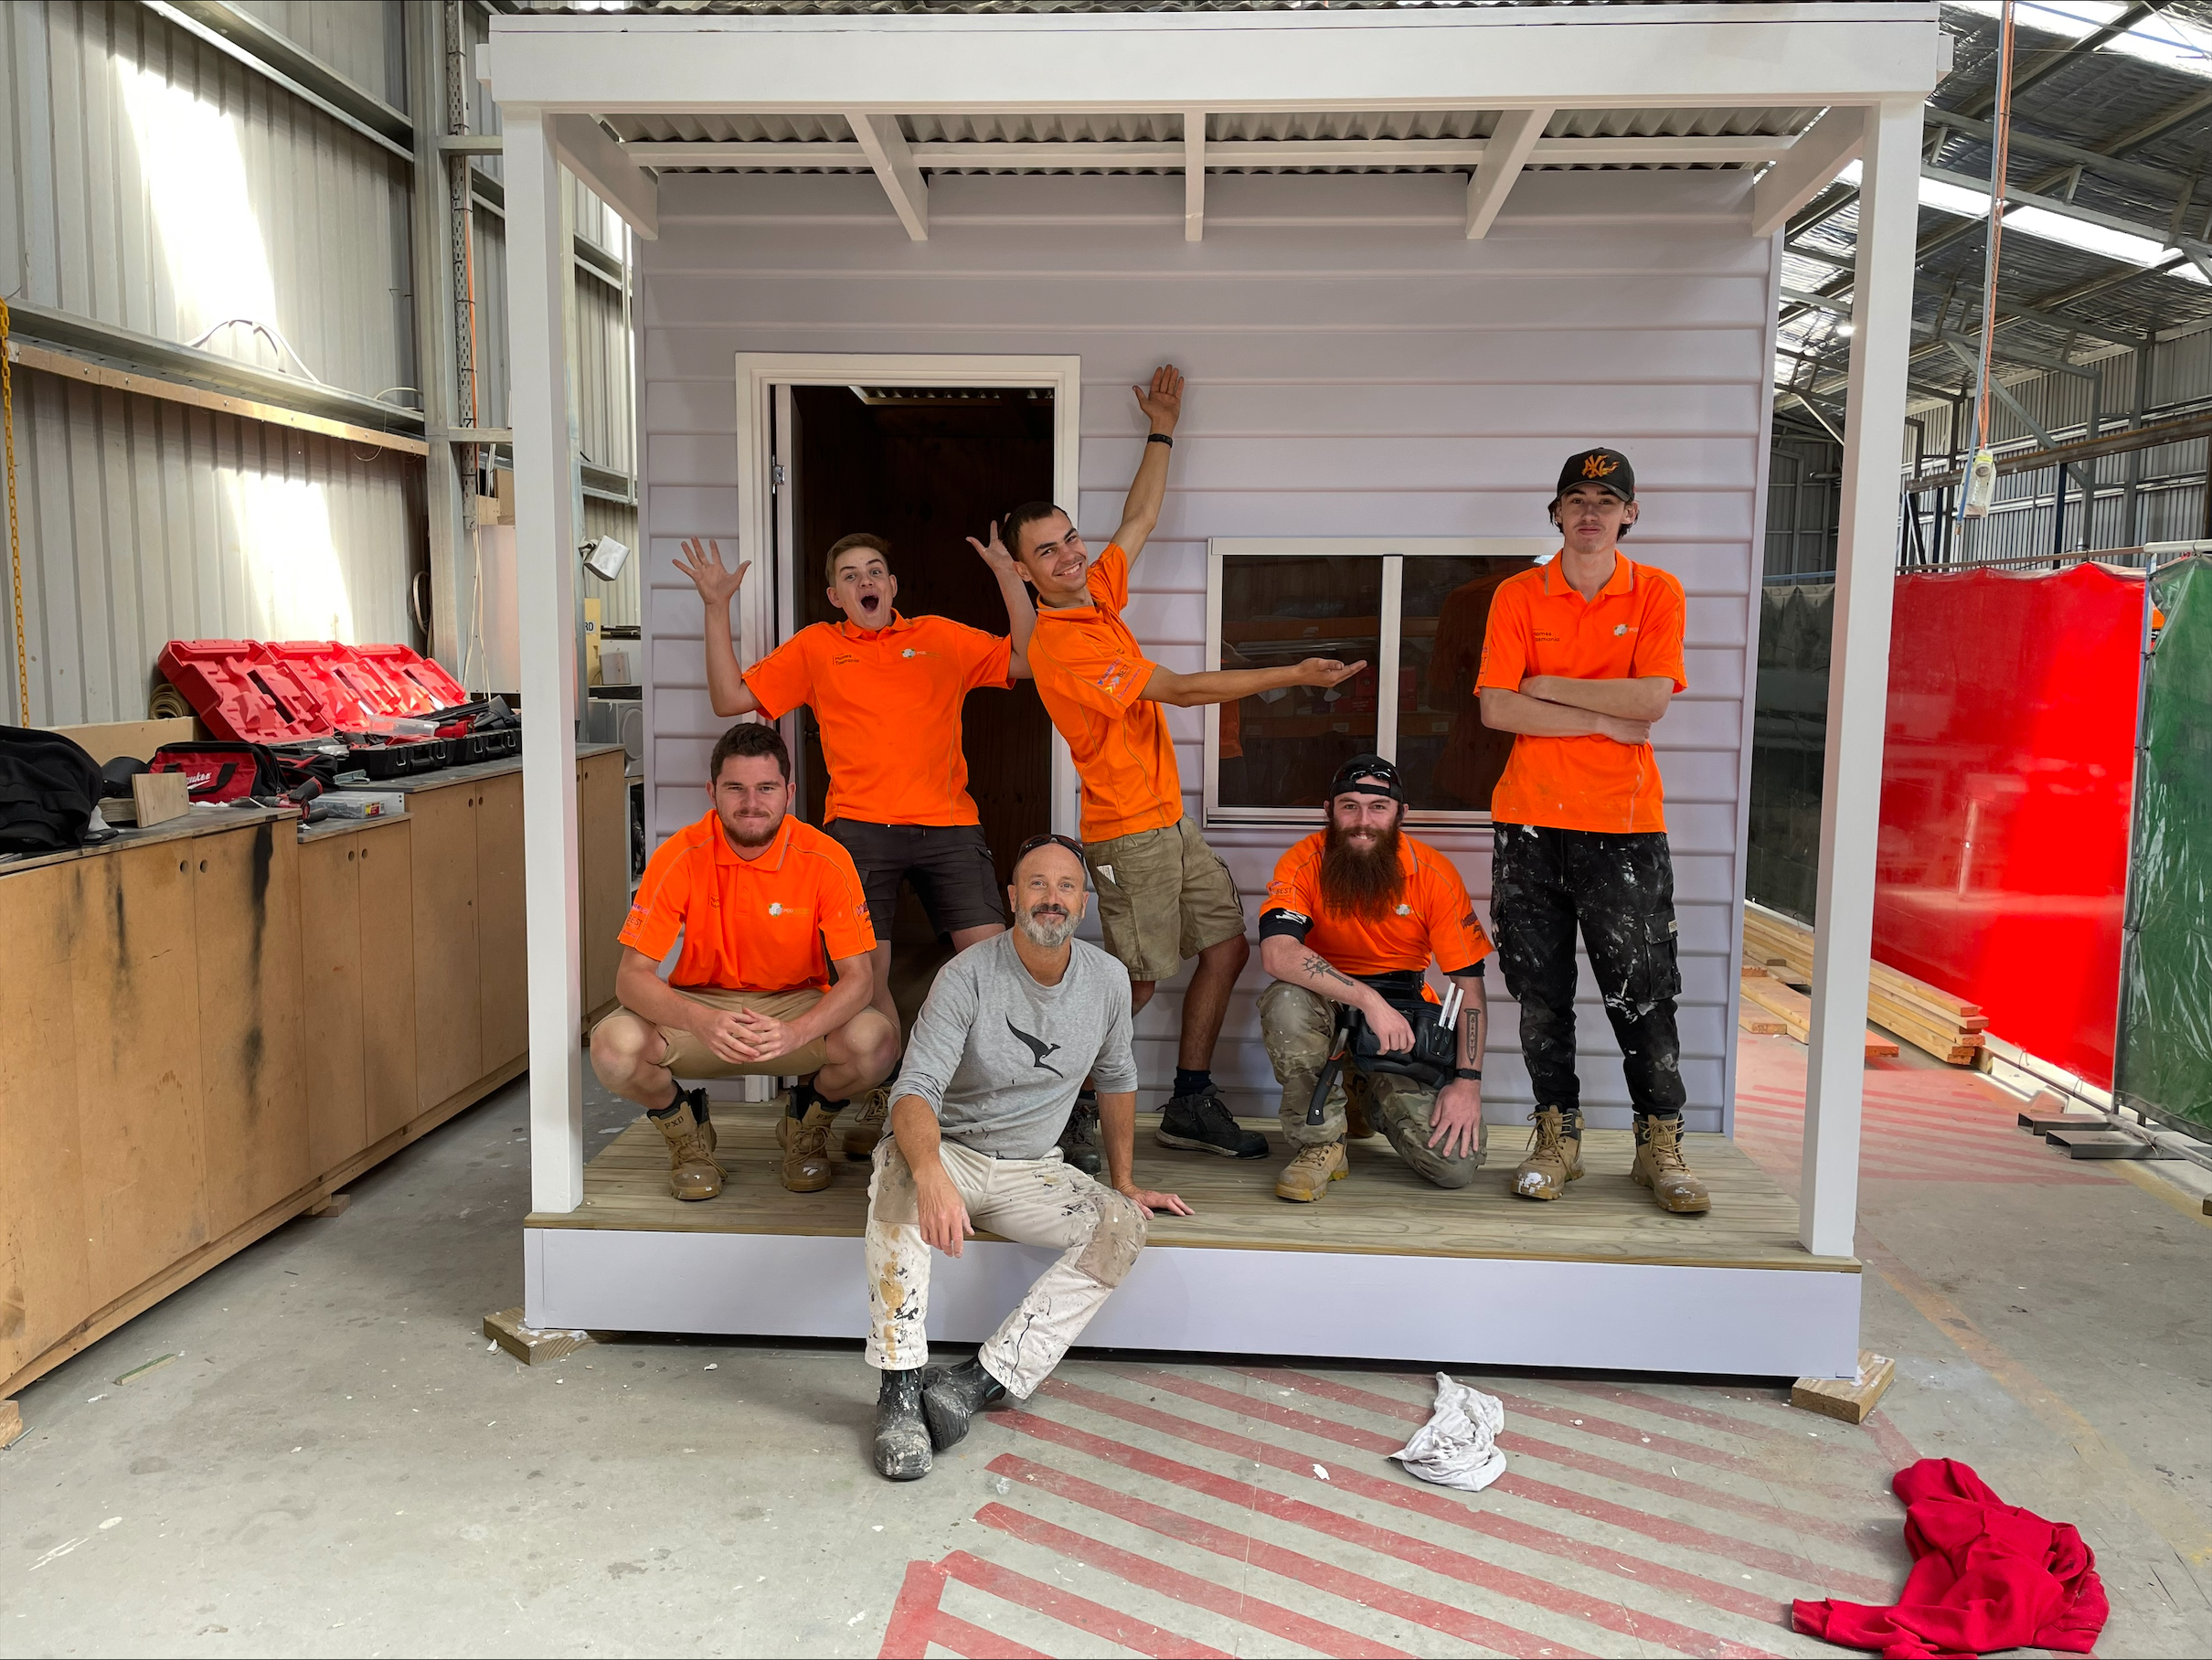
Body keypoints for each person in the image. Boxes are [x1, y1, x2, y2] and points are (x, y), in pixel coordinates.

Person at [995, 364, 1365, 1160]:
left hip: (1169, 819)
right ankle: (1064, 1106)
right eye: (1046, 553)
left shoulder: (1095, 590)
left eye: (1068, 541)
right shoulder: (1063, 648)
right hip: (1127, 834)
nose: (1068, 557)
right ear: (1023, 571)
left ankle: (1191, 1098)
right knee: (1132, 982)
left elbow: (1141, 515)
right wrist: (1295, 675)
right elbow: (1189, 690)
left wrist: (1161, 426)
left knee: (1226, 948)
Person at [674, 531, 1036, 1162]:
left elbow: (1028, 661)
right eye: (850, 574)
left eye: (876, 570)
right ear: (835, 595)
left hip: (949, 825)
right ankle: (887, 1097)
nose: (865, 580)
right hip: (860, 830)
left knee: (991, 969)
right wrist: (714, 606)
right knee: (865, 980)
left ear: (892, 587)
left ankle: (967, 1101)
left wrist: (1011, 578)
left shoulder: (941, 636)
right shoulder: (819, 647)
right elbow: (732, 699)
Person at [866, 833, 1192, 1481]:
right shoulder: (967, 975)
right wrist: (931, 1173)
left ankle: (980, 1382)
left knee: (1121, 1226)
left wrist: (1124, 1182)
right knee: (897, 1179)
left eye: (1066, 886)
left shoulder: (1105, 981)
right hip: (951, 1150)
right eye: (1037, 885)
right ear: (1012, 897)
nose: (1052, 898)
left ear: (1083, 901)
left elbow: (1119, 1077)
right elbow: (913, 1090)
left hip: (1034, 1167)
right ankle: (899, 1391)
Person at [1476, 447, 1707, 1214]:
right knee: (1540, 993)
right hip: (1529, 822)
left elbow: (1651, 704)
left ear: (1629, 515)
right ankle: (1556, 1136)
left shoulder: (1657, 592)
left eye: (1607, 500)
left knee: (1642, 991)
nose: (1590, 512)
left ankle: (1659, 1141)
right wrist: (1604, 715)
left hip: (1625, 826)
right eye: (1576, 497)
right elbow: (1497, 708)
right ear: (1555, 512)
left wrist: (1548, 687)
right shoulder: (1517, 595)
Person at [588, 722, 900, 1197]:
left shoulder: (826, 858)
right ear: (712, 790)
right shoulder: (679, 856)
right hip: (701, 1010)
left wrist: (798, 1031)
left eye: (766, 788)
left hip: (794, 1009)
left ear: (789, 793)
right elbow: (631, 978)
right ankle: (687, 1133)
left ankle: (806, 1124)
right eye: (735, 788)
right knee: (613, 1047)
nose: (751, 803)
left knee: (877, 1042)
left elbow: (859, 978)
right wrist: (701, 1019)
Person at [1257, 755, 1494, 1201]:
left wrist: (1467, 1082)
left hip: (1401, 1023)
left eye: (1377, 807)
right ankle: (1322, 1142)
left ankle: (1363, 1093)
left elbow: (1469, 990)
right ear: (1329, 811)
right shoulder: (1303, 860)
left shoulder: (1435, 875)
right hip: (1325, 1006)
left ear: (1401, 814)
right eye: (1349, 805)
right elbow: (1278, 953)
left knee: (1454, 1165)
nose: (1362, 821)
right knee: (1285, 998)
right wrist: (1368, 1000)